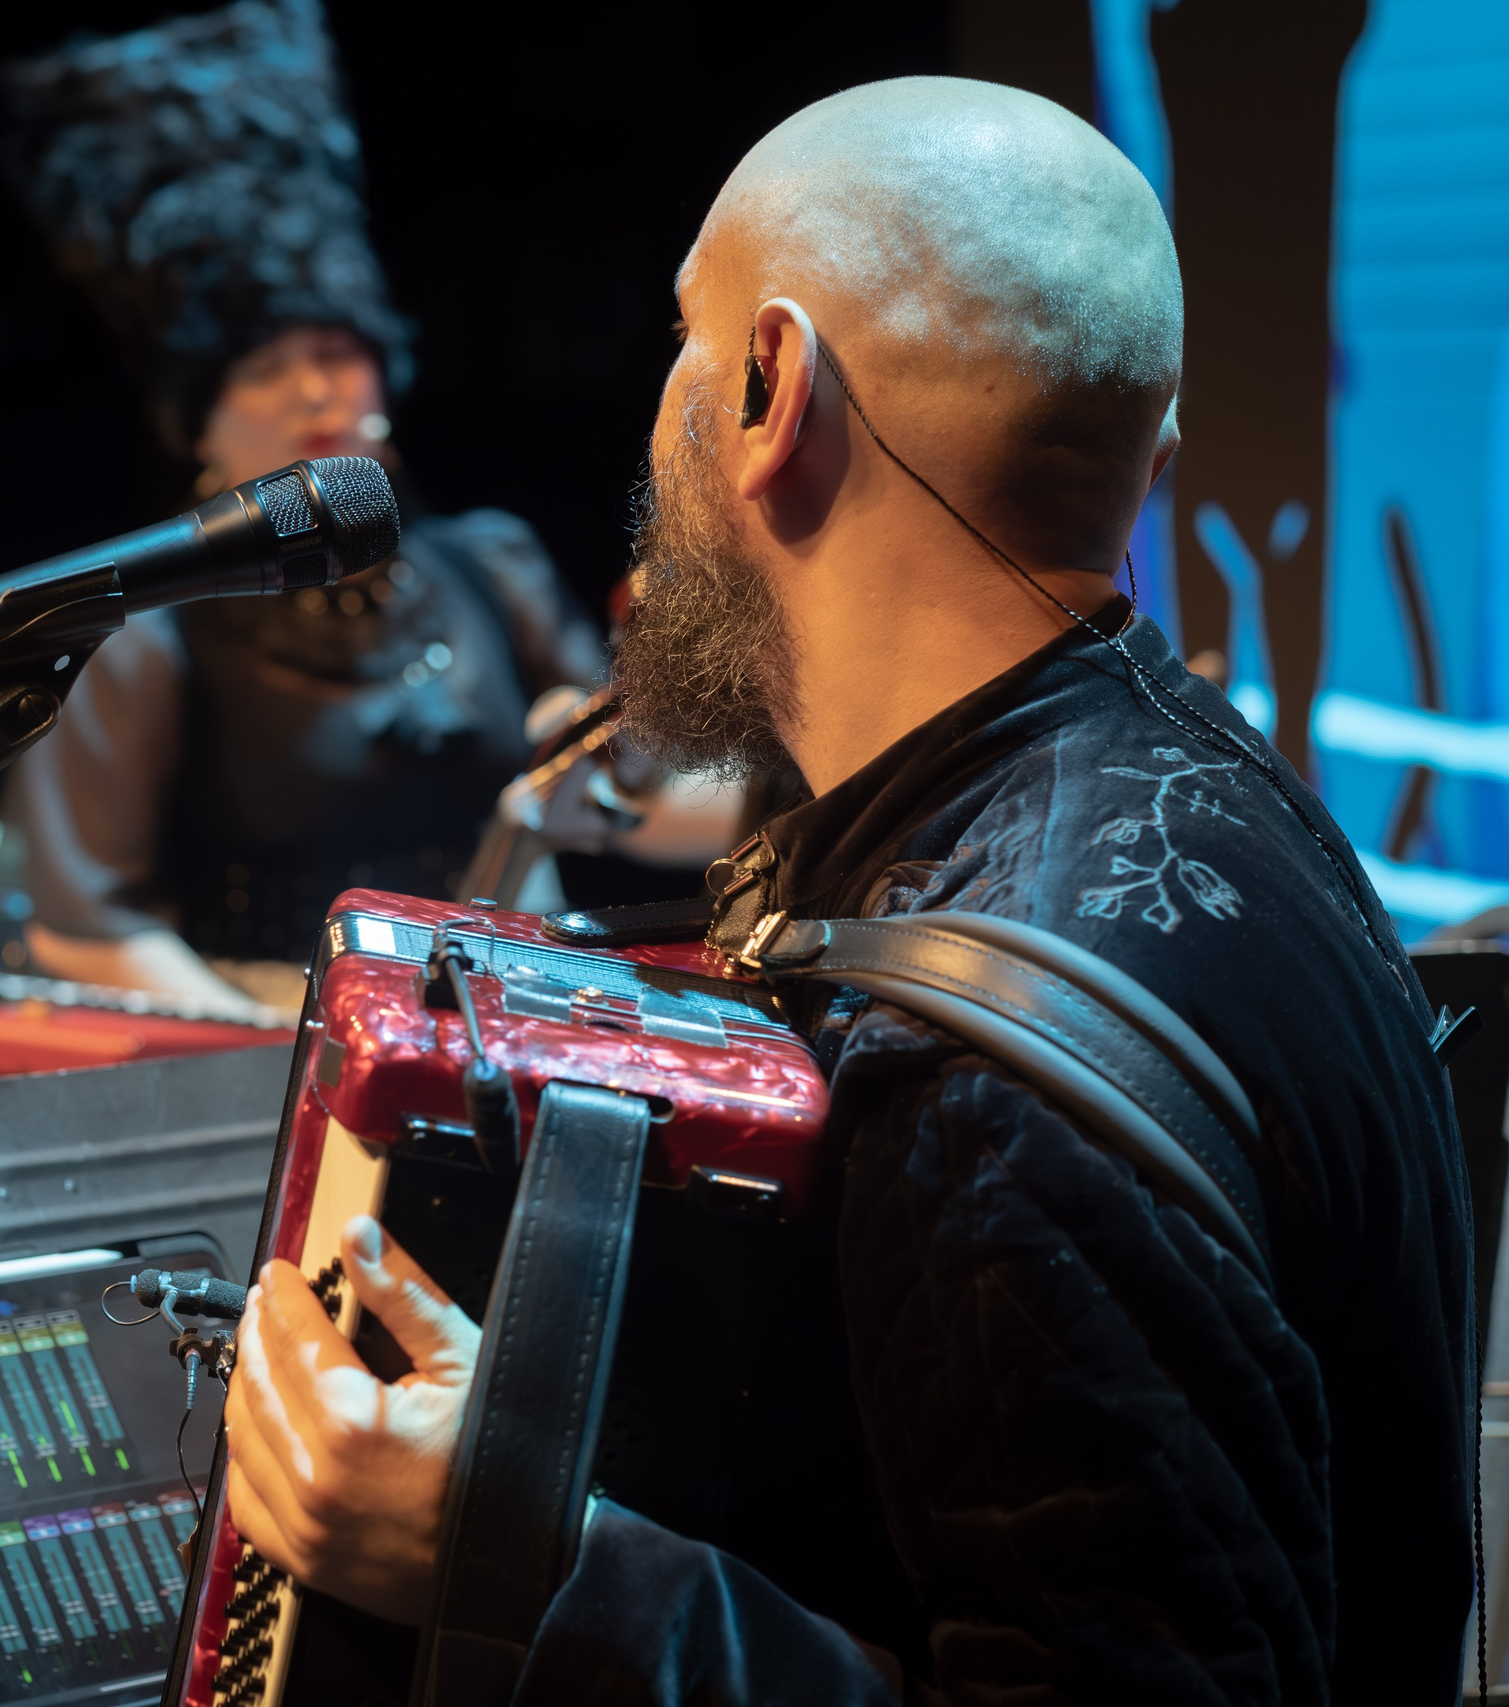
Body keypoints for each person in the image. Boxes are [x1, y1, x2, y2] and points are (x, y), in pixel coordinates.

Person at [221, 78, 1473, 1703]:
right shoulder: (1246, 799)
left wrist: (538, 1561)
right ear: (1153, 464)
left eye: (685, 337)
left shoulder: (979, 1090)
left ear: (771, 384)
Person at [0, 0, 735, 1012]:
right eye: (264, 368)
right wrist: (296, 1050)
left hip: (498, 1022)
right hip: (259, 1036)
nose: (314, 393)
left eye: (335, 353)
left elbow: (647, 810)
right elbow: (88, 925)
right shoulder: (146, 635)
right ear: (200, 429)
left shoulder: (488, 566)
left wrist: (677, 785)